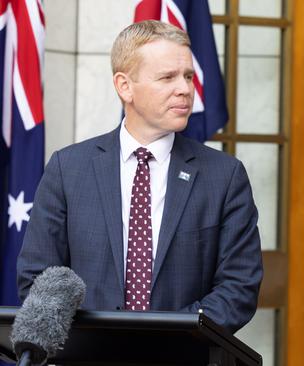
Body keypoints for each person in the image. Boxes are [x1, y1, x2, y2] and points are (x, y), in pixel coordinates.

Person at [17, 20, 263, 333]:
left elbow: (238, 288)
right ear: (124, 86)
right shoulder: (68, 169)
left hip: (182, 355)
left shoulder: (225, 176)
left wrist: (161, 337)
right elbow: (38, 280)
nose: (185, 89)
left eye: (188, 76)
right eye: (168, 77)